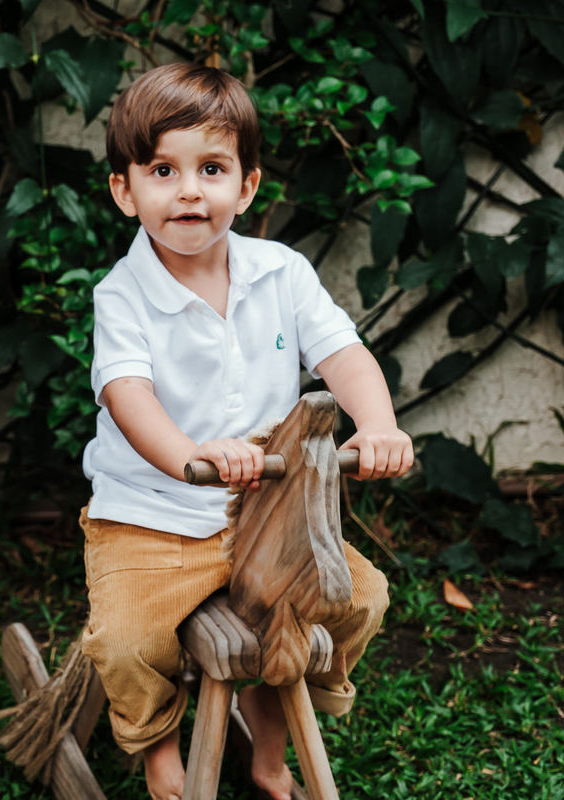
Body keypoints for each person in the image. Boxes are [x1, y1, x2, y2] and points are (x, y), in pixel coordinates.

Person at [80, 63, 414, 800]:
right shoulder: (122, 295)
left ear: (248, 185)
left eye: (212, 169)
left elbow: (344, 356)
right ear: (125, 192)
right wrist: (190, 454)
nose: (189, 190)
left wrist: (378, 423)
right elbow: (128, 395)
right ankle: (156, 744)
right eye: (163, 170)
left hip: (267, 514)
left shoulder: (281, 273)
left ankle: (269, 740)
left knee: (360, 598)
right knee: (128, 639)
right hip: (153, 517)